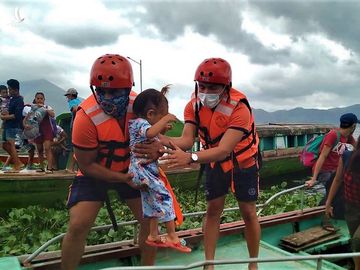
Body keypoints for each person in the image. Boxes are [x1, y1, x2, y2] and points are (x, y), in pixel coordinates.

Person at [159, 58, 261, 270]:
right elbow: (187, 140)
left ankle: (253, 264)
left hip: (243, 162)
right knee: (213, 210)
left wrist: (191, 158)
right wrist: (157, 139)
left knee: (248, 212)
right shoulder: (193, 106)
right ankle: (209, 264)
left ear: (226, 87)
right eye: (202, 86)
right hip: (215, 164)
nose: (206, 92)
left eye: (212, 87)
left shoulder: (240, 108)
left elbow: (224, 149)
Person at [61, 53, 157, 270]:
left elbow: (156, 137)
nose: (107, 96)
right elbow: (86, 165)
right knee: (78, 224)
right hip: (95, 173)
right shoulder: (85, 118)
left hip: (132, 169)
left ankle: (148, 267)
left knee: (150, 221)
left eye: (114, 91)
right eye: (101, 90)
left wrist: (155, 149)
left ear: (127, 88)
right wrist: (122, 178)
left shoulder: (140, 107)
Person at [129, 86, 191, 253]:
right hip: (143, 171)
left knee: (150, 202)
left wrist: (163, 127)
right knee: (164, 196)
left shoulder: (138, 124)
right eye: (162, 116)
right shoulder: (140, 123)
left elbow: (153, 133)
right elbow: (149, 133)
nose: (165, 119)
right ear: (150, 114)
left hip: (142, 171)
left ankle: (153, 235)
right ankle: (172, 235)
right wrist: (165, 120)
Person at [306, 113, 358, 225]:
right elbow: (322, 156)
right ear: (353, 126)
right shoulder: (333, 135)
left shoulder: (349, 138)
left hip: (335, 170)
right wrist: (314, 178)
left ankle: (330, 209)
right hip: (324, 170)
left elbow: (356, 151)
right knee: (333, 187)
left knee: (343, 184)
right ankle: (323, 209)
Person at [325, 135, 360, 270]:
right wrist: (328, 203)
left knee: (358, 241)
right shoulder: (346, 157)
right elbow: (338, 180)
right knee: (354, 242)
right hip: (352, 207)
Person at [23, 92, 55, 173]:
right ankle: (41, 167)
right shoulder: (33, 109)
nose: (39, 100)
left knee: (47, 148)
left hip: (47, 130)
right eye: (38, 98)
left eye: (41, 98)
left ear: (44, 99)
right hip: (37, 131)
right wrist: (25, 125)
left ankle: (50, 168)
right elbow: (26, 119)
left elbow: (53, 114)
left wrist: (44, 108)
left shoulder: (47, 107)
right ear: (35, 99)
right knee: (39, 149)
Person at [1, 79, 24, 172]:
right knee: (4, 145)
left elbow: (17, 116)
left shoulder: (19, 100)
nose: (9, 91)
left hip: (14, 126)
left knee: (11, 145)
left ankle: (17, 165)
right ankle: (18, 161)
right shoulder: (10, 99)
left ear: (15, 90)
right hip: (7, 126)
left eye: (10, 89)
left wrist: (5, 117)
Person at [64, 87, 81, 173]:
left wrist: (76, 114)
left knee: (74, 147)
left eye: (67, 96)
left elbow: (74, 109)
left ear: (71, 96)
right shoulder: (80, 101)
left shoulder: (72, 102)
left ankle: (70, 168)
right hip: (81, 124)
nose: (67, 98)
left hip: (75, 125)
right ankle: (77, 168)